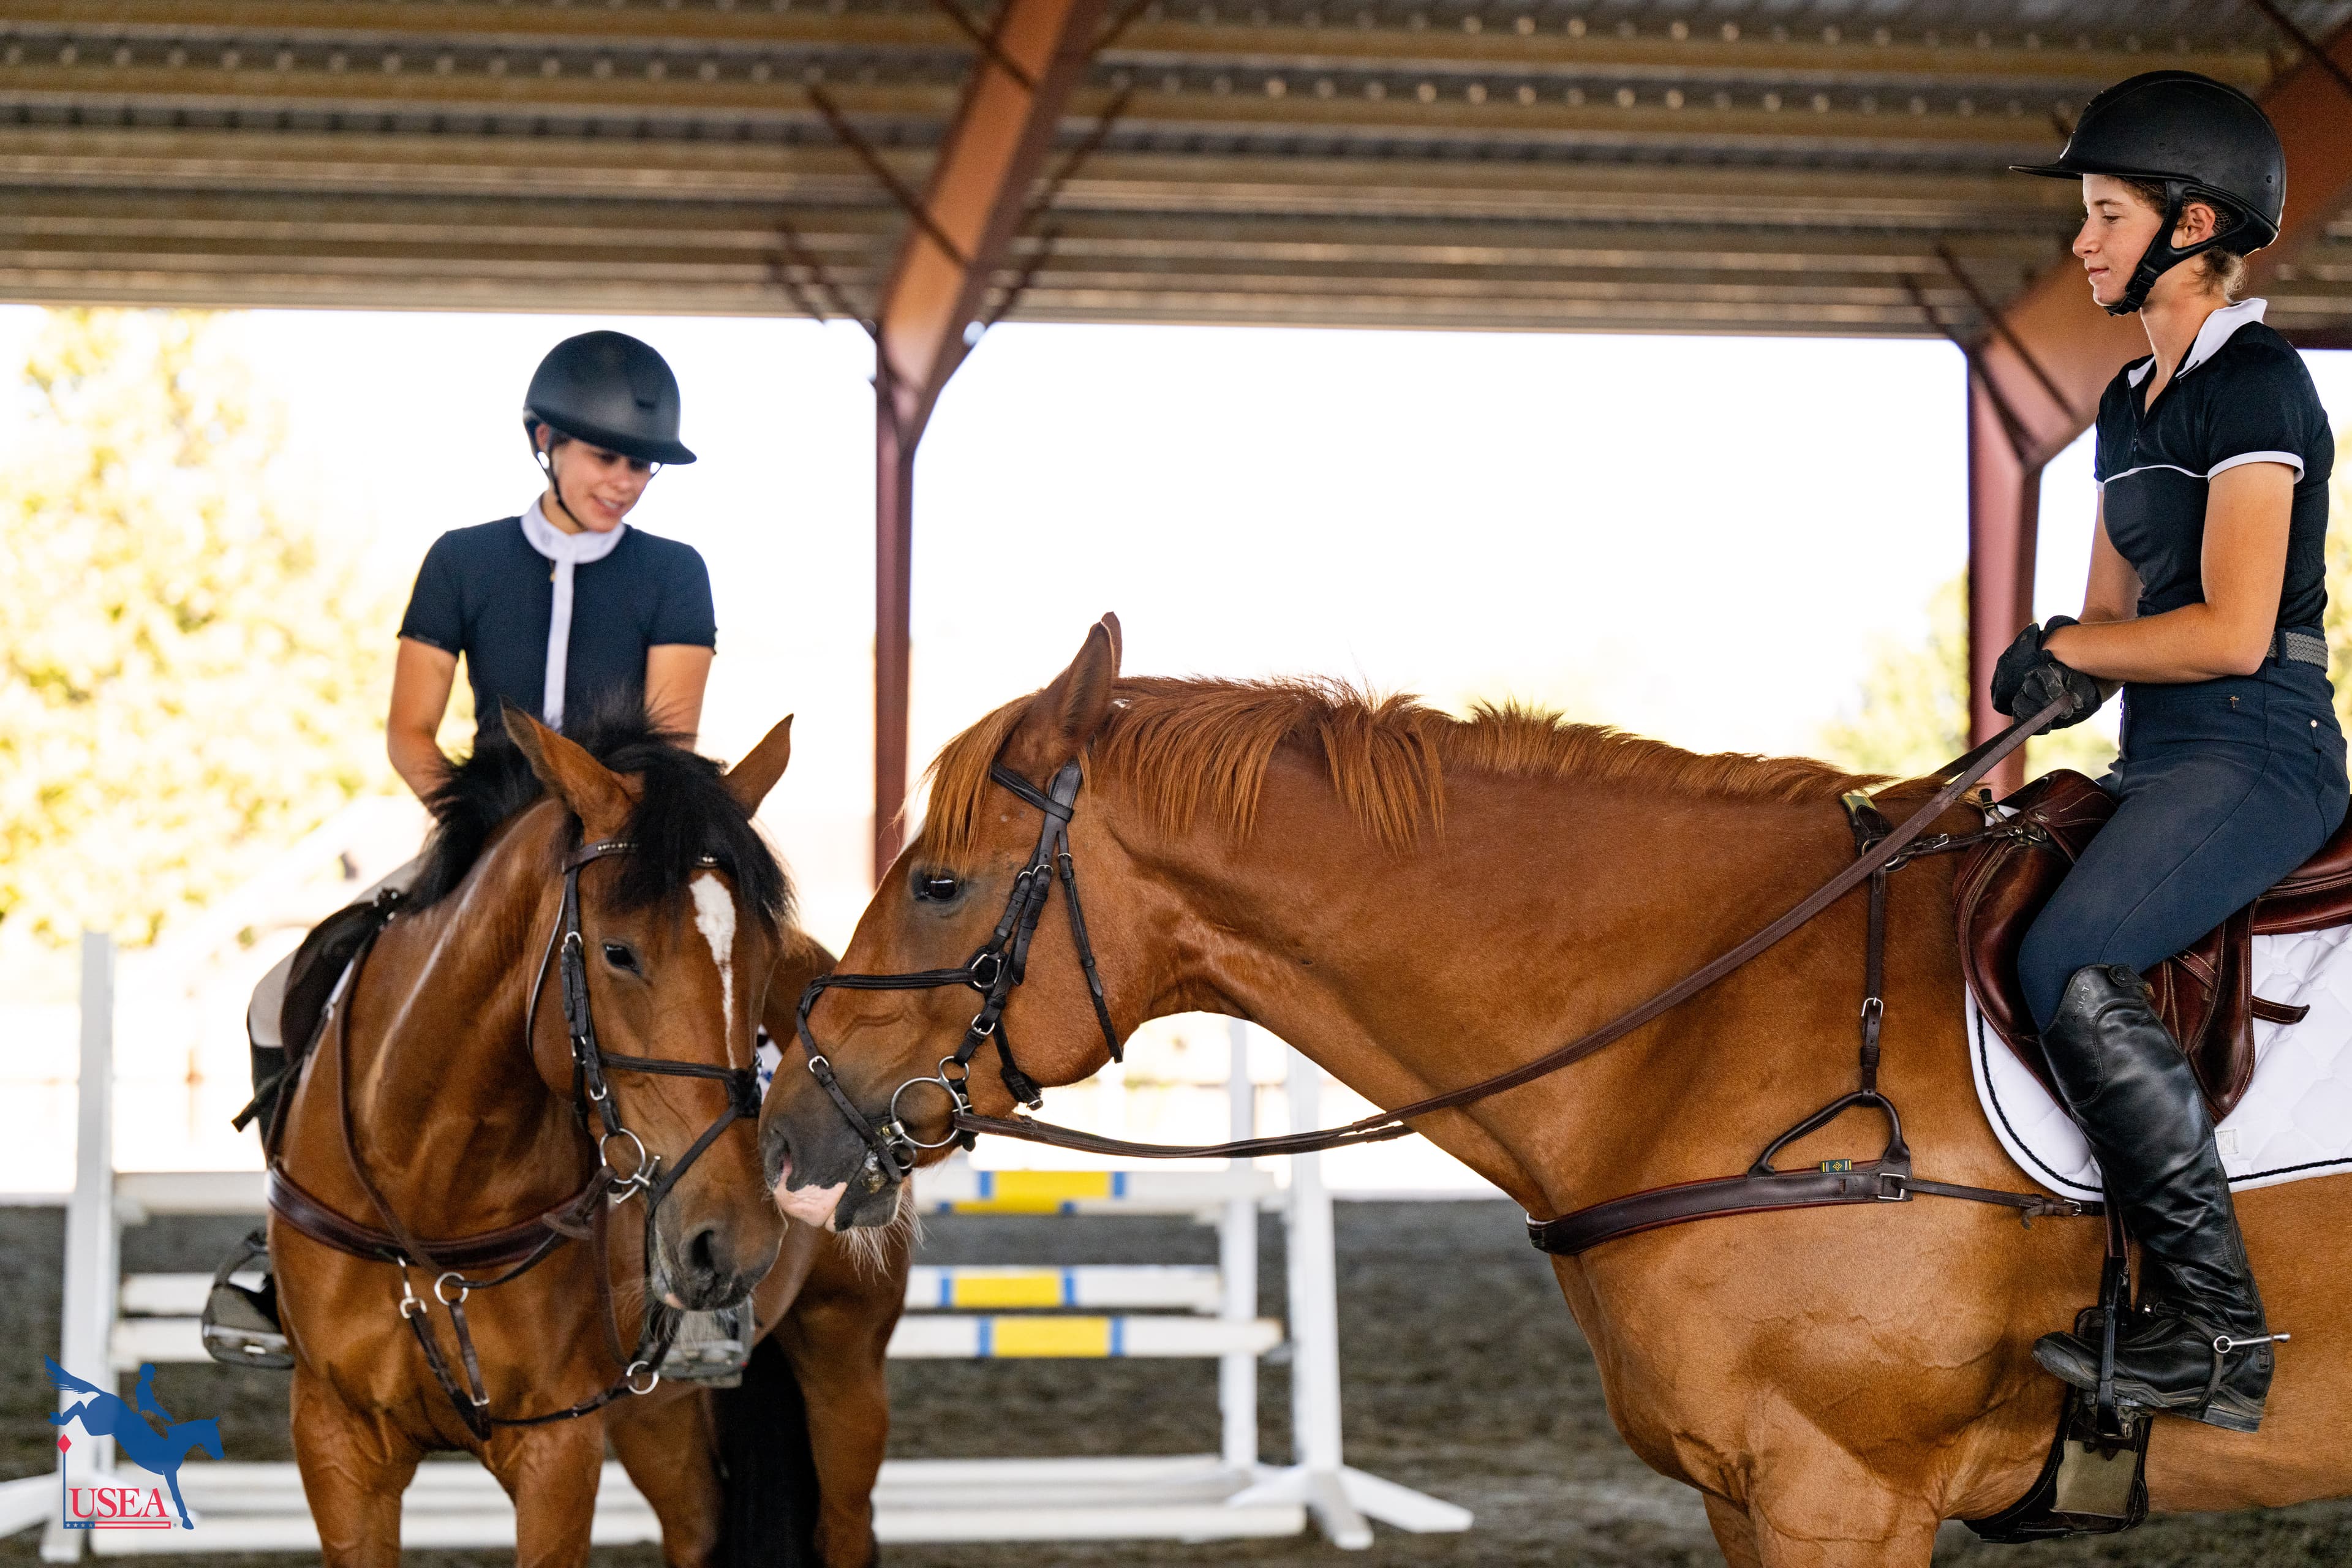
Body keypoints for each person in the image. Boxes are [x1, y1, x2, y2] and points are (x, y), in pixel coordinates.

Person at [1996, 72, 2344, 1433]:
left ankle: (2212, 1328)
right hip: (2163, 751)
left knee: (2067, 957)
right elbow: (2113, 628)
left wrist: (2084, 646)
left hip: (2260, 748)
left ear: (2192, 223)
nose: (2080, 242)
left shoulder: (2256, 381)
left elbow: (2232, 628)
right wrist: (2052, 665)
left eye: (2103, 213)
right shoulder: (2129, 402)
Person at [244, 330, 717, 1065]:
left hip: (619, 849)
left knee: (738, 984)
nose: (625, 481)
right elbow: (409, 733)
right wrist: (482, 833)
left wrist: (613, 838)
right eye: (605, 458)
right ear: (545, 439)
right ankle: (292, 1172)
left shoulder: (677, 573)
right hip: (478, 842)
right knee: (280, 995)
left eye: (641, 465)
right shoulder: (462, 561)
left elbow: (670, 746)